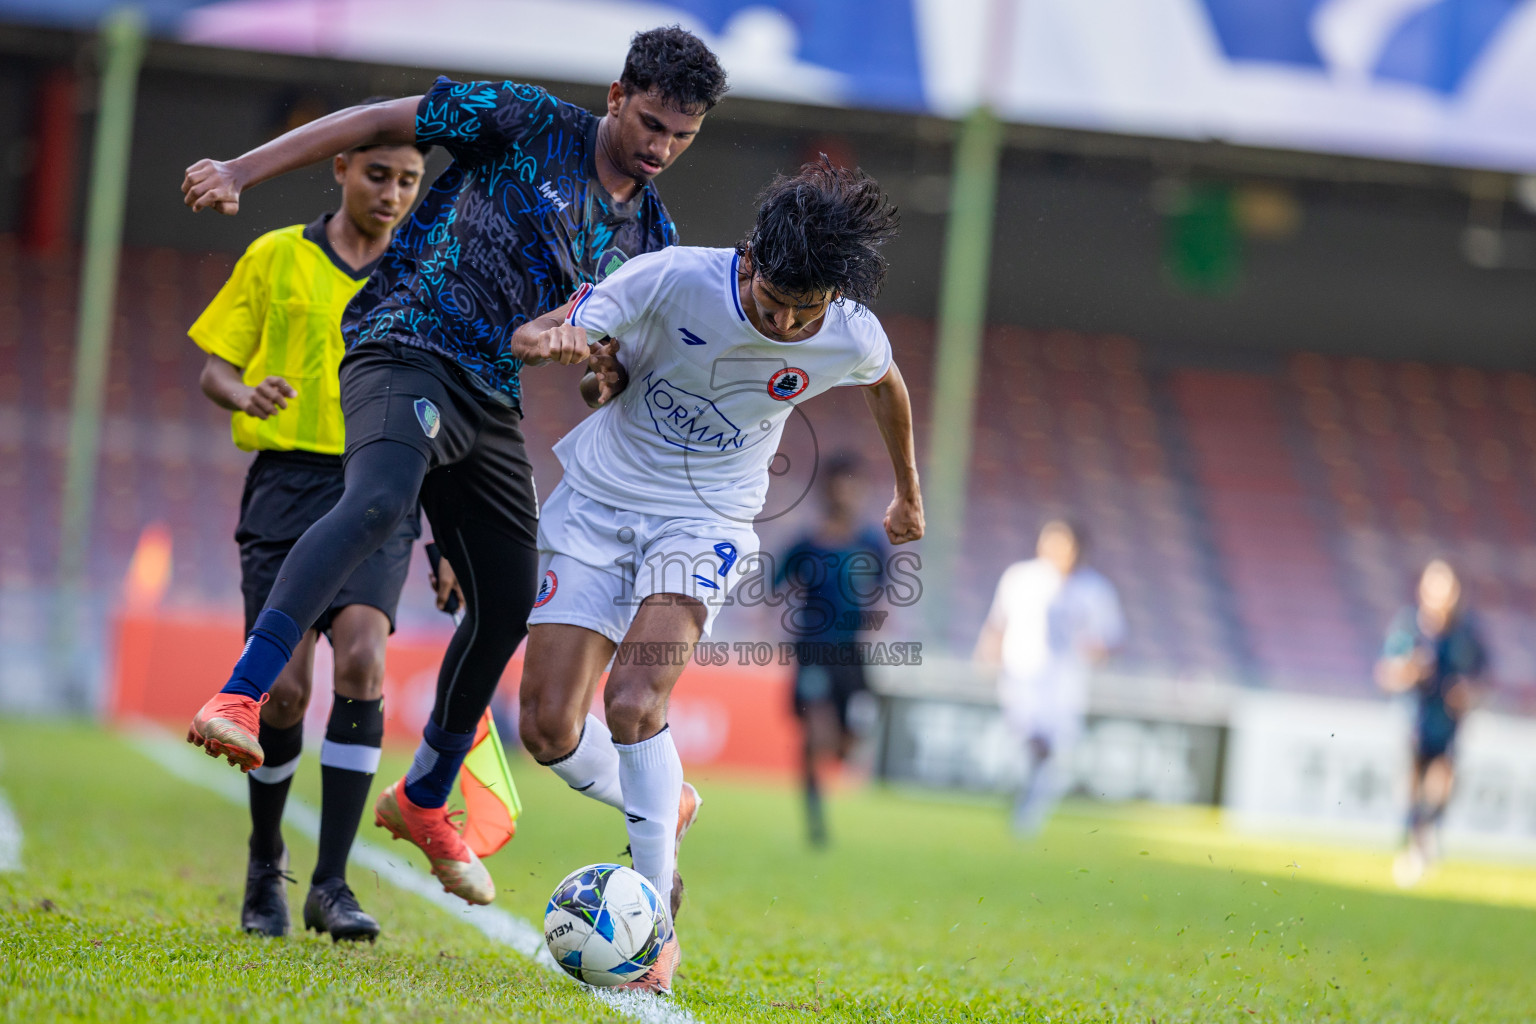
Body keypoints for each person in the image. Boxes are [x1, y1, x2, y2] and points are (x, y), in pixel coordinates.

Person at [179, 29, 728, 908]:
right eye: (653, 123)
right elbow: (376, 118)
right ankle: (242, 694)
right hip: (403, 344)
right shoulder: (522, 118)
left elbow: (610, 367)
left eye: (682, 136)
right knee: (378, 500)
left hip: (489, 399)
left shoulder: (652, 239)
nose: (661, 148)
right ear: (620, 94)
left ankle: (428, 796)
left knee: (511, 600)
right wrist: (242, 171)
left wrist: (594, 364)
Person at [513, 158, 923, 993]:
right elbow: (540, 333)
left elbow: (889, 388)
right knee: (549, 730)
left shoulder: (848, 330)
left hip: (705, 521)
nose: (784, 323)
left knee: (634, 703)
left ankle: (656, 925)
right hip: (597, 501)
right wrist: (560, 342)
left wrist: (908, 495)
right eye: (772, 303)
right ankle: (671, 801)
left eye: (804, 314)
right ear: (747, 259)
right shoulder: (668, 278)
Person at [189, 121, 426, 941]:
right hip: (288, 486)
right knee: (285, 690)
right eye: (379, 175)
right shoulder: (274, 255)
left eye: (407, 181)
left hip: (382, 485)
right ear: (340, 168)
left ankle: (332, 884)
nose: (392, 195)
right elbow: (216, 367)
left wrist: (456, 544)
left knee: (362, 659)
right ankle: (265, 867)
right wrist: (244, 392)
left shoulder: (422, 273)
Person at [973, 519, 1124, 835]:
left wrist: (1091, 650)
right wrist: (987, 653)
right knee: (1026, 739)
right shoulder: (1020, 578)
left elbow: (1109, 639)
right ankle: (1024, 797)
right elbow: (998, 622)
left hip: (1065, 682)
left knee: (1055, 750)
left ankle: (1030, 809)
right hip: (1022, 675)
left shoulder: (1094, 590)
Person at [776, 452, 888, 846]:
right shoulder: (808, 543)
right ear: (828, 490)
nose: (846, 492)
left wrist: (875, 627)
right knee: (814, 733)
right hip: (812, 650)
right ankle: (814, 818)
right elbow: (775, 586)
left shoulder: (871, 541)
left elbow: (883, 593)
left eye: (853, 484)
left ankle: (835, 757)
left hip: (852, 653)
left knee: (855, 733)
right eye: (839, 483)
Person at [1376, 558, 1488, 887]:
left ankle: (1426, 837)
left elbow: (1481, 681)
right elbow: (1386, 672)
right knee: (1411, 785)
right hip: (1413, 719)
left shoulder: (1467, 633)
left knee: (1441, 784)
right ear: (1424, 591)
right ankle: (1414, 843)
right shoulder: (1408, 626)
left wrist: (1467, 694)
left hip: (1448, 723)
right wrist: (1408, 671)